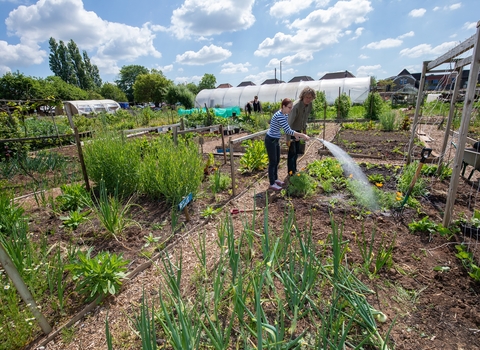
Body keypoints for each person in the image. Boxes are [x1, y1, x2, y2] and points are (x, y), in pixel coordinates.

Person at [265, 98, 310, 191]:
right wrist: (302, 135)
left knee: (277, 161)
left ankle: (276, 179)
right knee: (272, 162)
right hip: (270, 140)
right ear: (283, 107)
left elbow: (288, 128)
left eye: (291, 107)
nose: (290, 109)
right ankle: (272, 183)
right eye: (289, 107)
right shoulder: (279, 116)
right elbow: (288, 130)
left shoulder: (284, 114)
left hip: (275, 139)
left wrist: (296, 136)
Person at [287, 87, 316, 174]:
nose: (308, 99)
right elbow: (289, 124)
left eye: (310, 98)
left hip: (299, 130)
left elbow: (305, 118)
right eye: (307, 97)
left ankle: (294, 170)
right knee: (292, 152)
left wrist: (304, 129)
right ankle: (290, 172)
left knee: (297, 152)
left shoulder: (309, 105)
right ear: (302, 96)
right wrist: (288, 139)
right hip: (291, 130)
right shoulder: (295, 106)